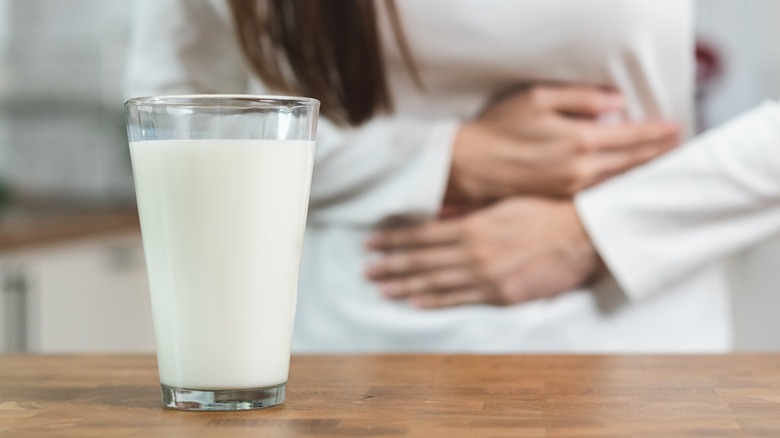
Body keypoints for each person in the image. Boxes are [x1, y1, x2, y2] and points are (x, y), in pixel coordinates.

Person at [126, 0, 724, 352]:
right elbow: (176, 114)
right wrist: (445, 157)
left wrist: (595, 232)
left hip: (635, 347)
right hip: (344, 352)